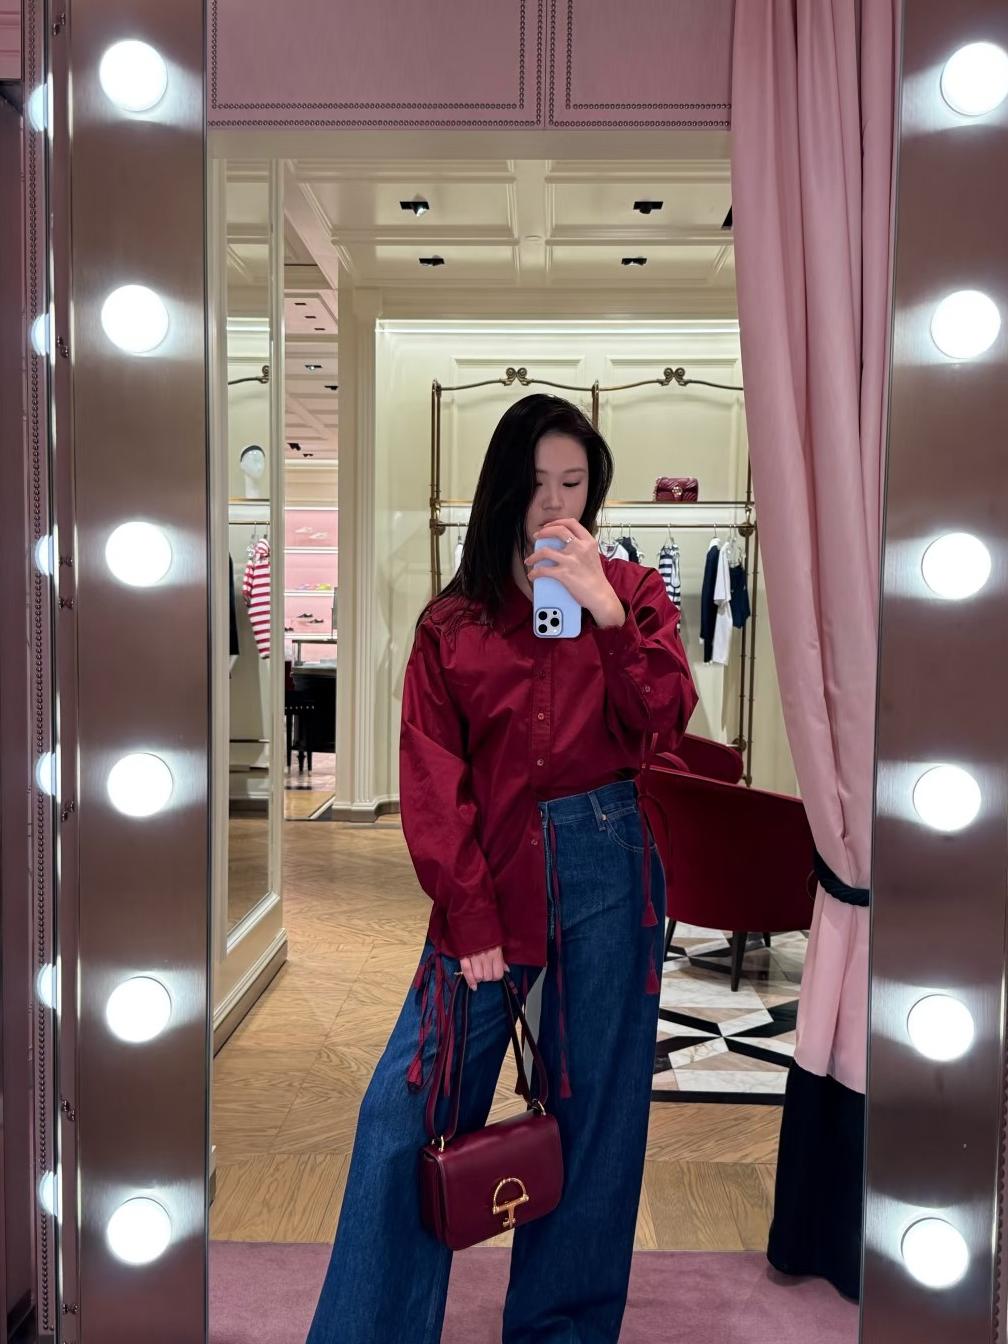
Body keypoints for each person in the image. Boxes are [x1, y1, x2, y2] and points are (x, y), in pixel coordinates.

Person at [305, 394, 698, 1344]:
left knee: (596, 1111)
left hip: (610, 860)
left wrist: (608, 613)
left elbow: (663, 720)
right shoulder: (453, 623)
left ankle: (561, 1329)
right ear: (501, 492)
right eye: (536, 484)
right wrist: (471, 915)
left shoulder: (634, 594)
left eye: (574, 483)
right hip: (491, 870)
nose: (555, 503)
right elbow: (432, 777)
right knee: (405, 1109)